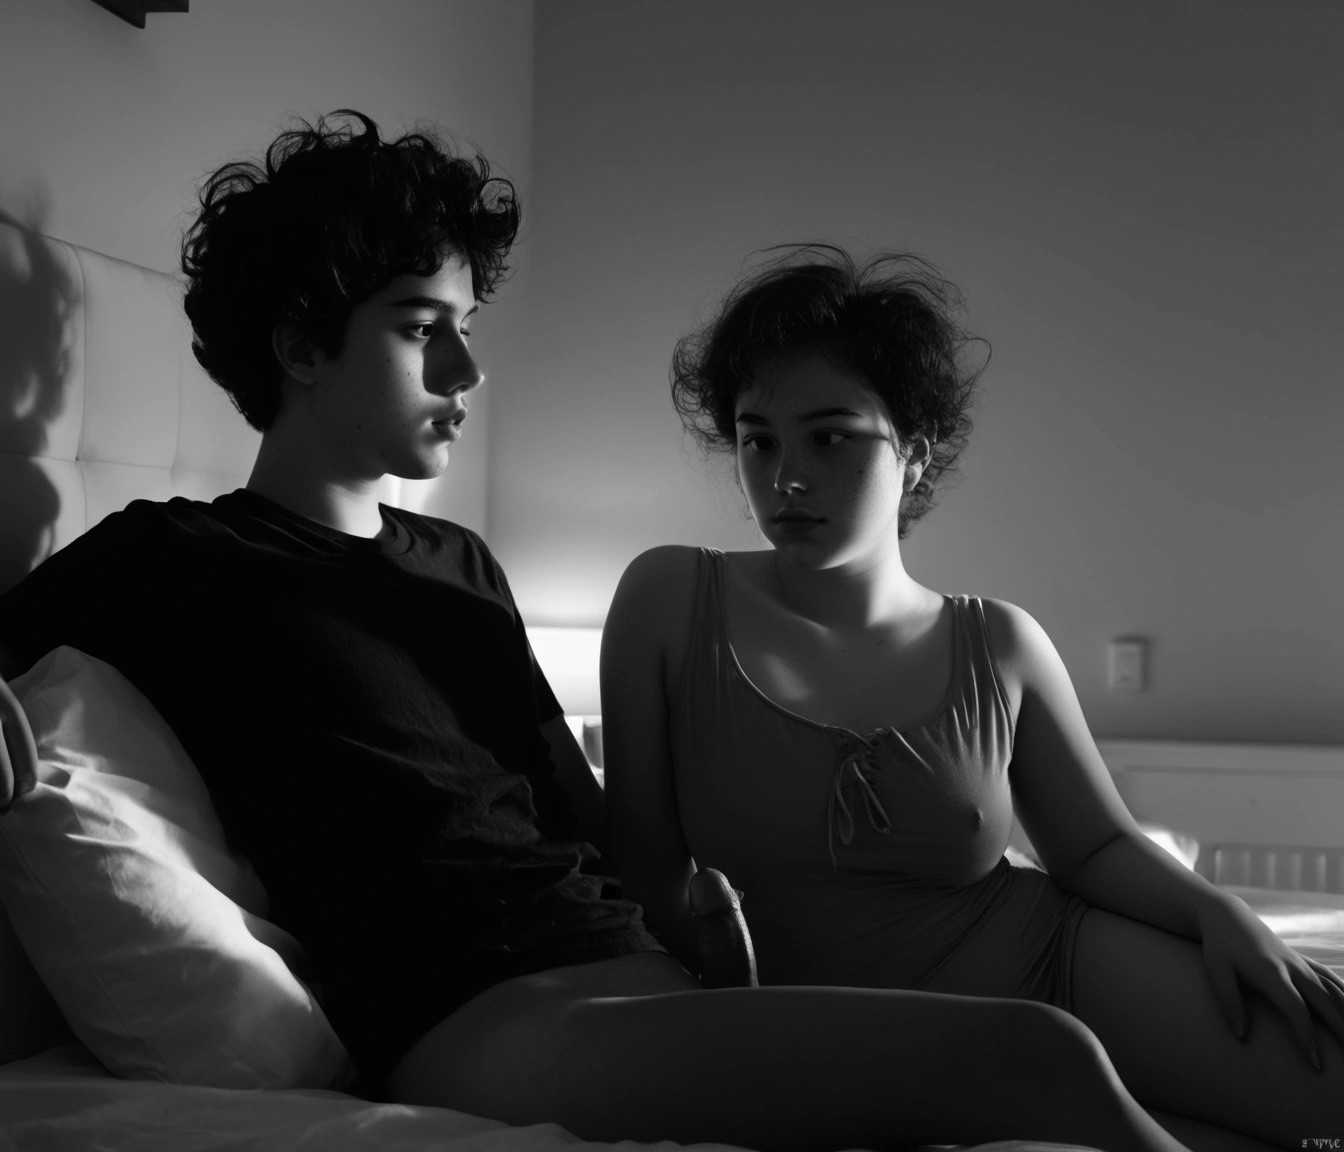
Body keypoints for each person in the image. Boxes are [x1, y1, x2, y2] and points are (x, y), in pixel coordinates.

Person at [0, 112, 1190, 1152]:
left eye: (468, 325)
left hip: (637, 979)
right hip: (485, 1021)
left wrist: (705, 917)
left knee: (1060, 1078)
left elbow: (586, 821)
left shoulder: (458, 563)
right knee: (1037, 1057)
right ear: (304, 346)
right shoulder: (179, 559)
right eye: (422, 329)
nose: (467, 369)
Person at [599, 244, 1344, 1151]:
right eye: (759, 440)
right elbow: (644, 870)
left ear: (913, 455)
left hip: (1055, 960)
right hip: (882, 1039)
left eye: (828, 436)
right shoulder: (669, 600)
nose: (785, 476)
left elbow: (1095, 846)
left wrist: (1220, 915)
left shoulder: (999, 641)